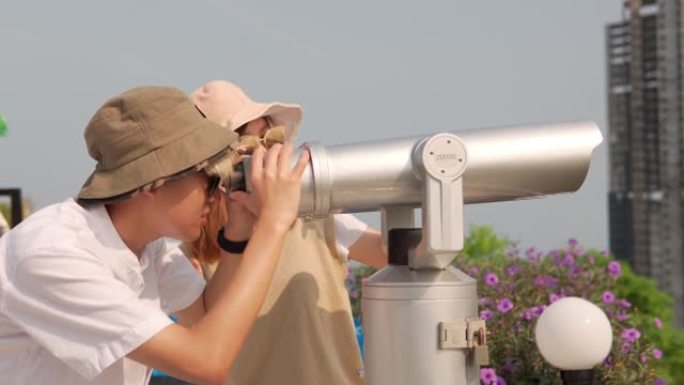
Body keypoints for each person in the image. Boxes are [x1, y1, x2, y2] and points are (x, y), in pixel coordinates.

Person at [0, 86, 308, 385]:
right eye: (211, 180)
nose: (219, 195)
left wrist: (239, 233)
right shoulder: (54, 254)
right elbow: (207, 362)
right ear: (153, 182)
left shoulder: (148, 246)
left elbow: (205, 317)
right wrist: (273, 224)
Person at [188, 80, 387, 385]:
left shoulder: (314, 218)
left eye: (270, 137)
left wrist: (401, 185)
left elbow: (390, 254)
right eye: (249, 144)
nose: (266, 152)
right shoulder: (190, 252)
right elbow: (207, 336)